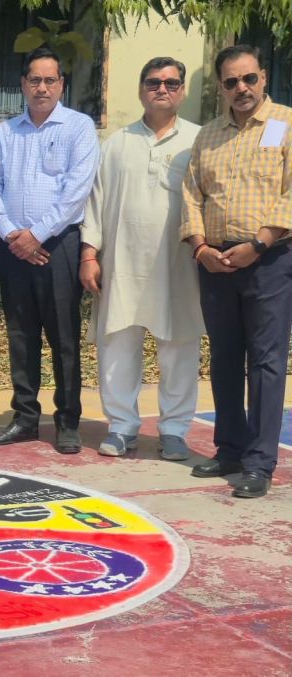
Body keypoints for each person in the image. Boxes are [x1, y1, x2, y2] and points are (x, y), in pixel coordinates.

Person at [181, 44, 292, 499]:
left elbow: (290, 193)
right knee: (225, 357)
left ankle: (259, 463)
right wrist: (200, 247)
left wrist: (259, 243)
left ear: (263, 77)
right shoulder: (208, 135)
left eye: (249, 78)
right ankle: (229, 448)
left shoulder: (285, 124)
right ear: (221, 87)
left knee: (265, 361)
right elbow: (191, 194)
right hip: (216, 262)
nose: (241, 88)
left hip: (269, 259)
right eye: (231, 81)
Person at [81, 57, 204, 460]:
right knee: (117, 343)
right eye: (153, 82)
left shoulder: (199, 140)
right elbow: (95, 202)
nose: (162, 89)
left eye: (171, 83)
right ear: (140, 89)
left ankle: (174, 430)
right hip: (122, 261)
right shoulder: (117, 143)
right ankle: (121, 426)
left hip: (179, 264)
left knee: (180, 346)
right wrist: (89, 254)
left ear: (183, 90)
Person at [0, 47, 99, 454]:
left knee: (64, 336)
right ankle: (25, 418)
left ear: (61, 84)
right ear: (23, 84)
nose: (42, 88)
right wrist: (14, 235)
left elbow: (76, 192)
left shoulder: (79, 127)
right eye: (35, 80)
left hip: (60, 245)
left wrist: (38, 235)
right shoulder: (5, 132)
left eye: (50, 80)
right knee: (20, 334)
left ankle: (67, 421)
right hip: (13, 248)